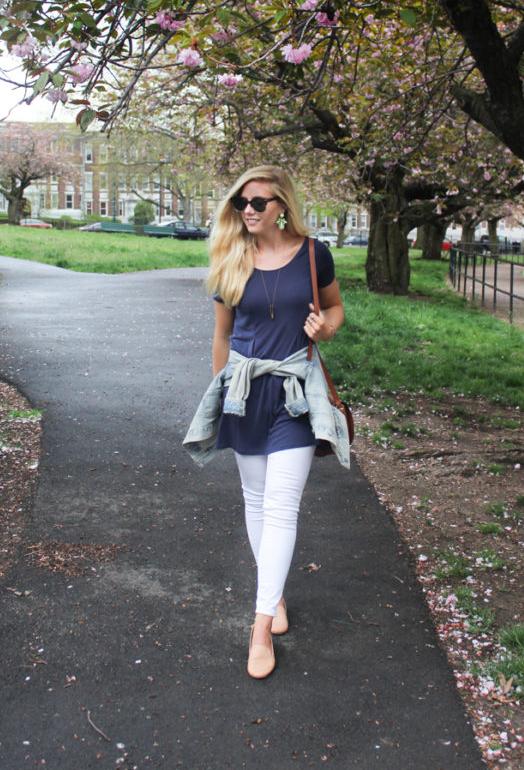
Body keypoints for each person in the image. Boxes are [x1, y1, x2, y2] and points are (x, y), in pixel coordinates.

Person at [189, 165, 347, 679]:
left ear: (282, 205)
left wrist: (325, 328)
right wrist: (220, 398)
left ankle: (259, 628)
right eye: (241, 203)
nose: (249, 211)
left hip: (296, 395)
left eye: (259, 202)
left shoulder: (313, 253)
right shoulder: (231, 257)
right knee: (255, 502)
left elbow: (336, 308)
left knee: (281, 506)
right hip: (244, 393)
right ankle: (273, 596)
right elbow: (222, 337)